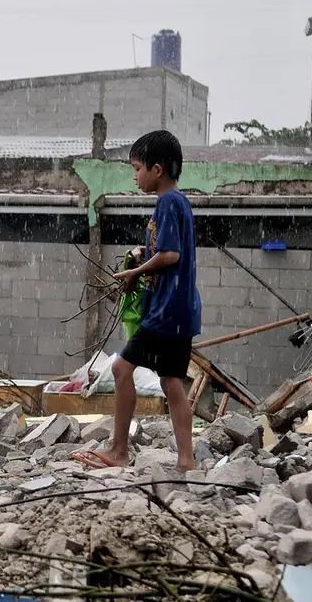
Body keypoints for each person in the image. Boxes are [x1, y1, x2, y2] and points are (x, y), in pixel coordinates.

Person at [98, 131, 201, 473]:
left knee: (120, 368)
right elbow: (169, 249)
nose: (134, 175)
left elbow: (170, 255)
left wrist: (135, 272)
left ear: (157, 170)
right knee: (171, 382)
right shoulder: (181, 202)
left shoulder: (167, 202)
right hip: (181, 310)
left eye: (137, 167)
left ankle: (119, 449)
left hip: (166, 310)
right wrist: (144, 254)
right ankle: (186, 461)